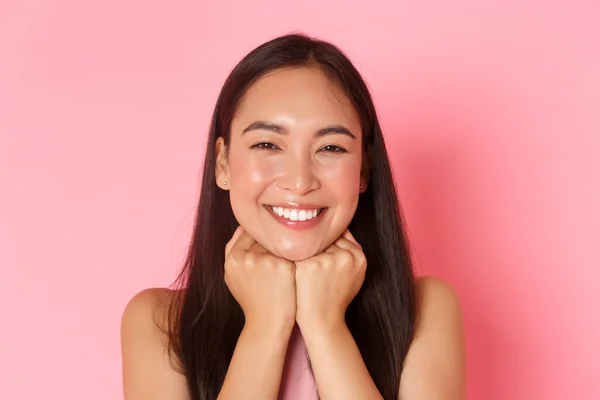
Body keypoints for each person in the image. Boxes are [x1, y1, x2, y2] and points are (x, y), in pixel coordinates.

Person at [120, 33, 466, 400]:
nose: (300, 182)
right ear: (223, 163)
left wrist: (326, 327)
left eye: (330, 147)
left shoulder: (425, 310)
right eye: (267, 144)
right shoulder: (159, 323)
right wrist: (265, 325)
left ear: (363, 171)